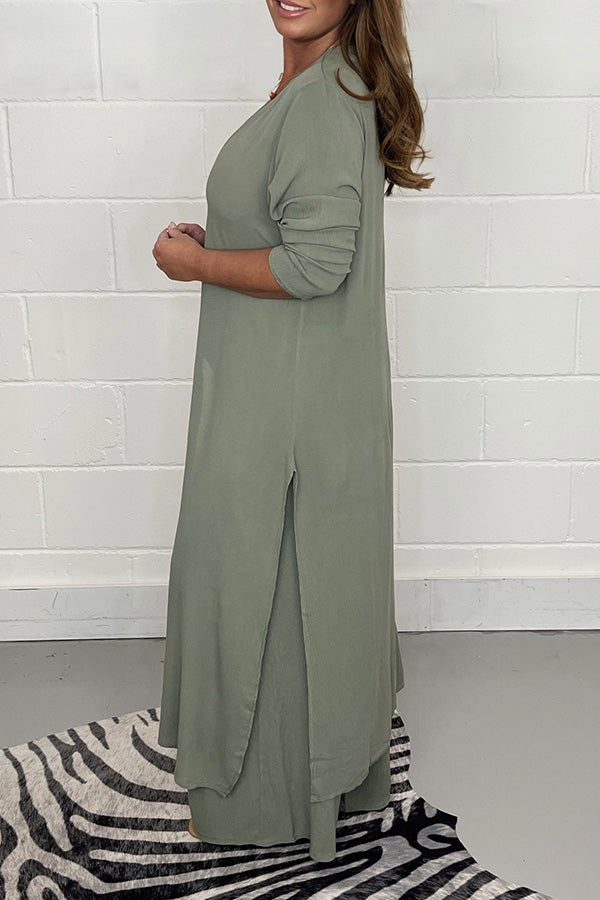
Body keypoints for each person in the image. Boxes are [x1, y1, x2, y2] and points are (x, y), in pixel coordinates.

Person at [153, 0, 433, 864]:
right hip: (288, 384)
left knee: (253, 580)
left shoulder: (325, 98)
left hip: (283, 400)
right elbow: (297, 232)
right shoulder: (321, 85)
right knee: (281, 579)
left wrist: (195, 263)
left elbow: (316, 264)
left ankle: (254, 806)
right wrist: (227, 239)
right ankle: (307, 784)